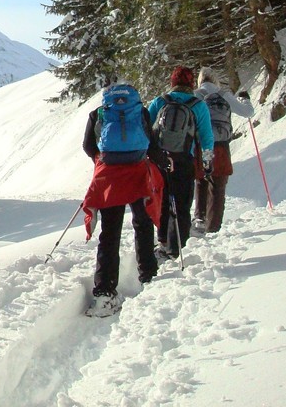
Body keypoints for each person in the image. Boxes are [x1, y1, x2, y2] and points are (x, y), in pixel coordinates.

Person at [81, 82, 164, 317]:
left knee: (110, 232)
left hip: (110, 176)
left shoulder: (98, 113)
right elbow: (152, 144)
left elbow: (88, 145)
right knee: (143, 222)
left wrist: (101, 161)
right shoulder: (140, 110)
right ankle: (148, 274)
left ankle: (105, 292)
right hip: (138, 171)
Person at [147, 66, 213, 263]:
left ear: (172, 82)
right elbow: (207, 137)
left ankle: (162, 242)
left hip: (160, 160)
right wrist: (207, 161)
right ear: (192, 83)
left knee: (162, 200)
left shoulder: (160, 101)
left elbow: (146, 127)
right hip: (184, 159)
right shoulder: (198, 105)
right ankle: (178, 246)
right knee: (182, 203)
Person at [192, 67, 255, 234]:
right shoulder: (223, 95)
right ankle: (214, 226)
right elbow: (248, 112)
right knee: (218, 184)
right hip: (221, 146)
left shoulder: (196, 95)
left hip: (204, 146)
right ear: (215, 79)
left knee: (202, 179)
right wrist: (245, 100)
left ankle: (200, 218)